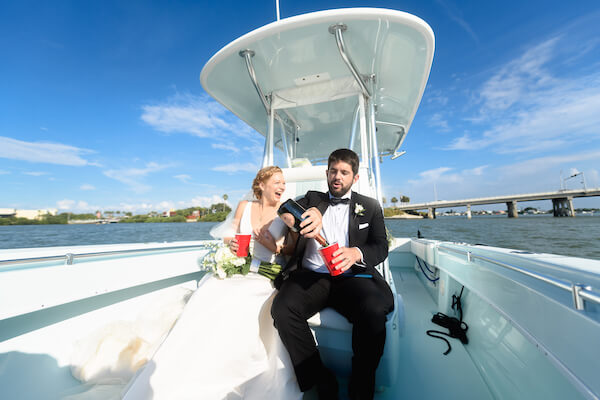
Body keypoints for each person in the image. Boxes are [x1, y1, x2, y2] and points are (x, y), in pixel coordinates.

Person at [123, 166, 302, 399]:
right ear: (261, 185)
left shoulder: (284, 212)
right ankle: (186, 369)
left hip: (264, 276)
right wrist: (231, 244)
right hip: (239, 268)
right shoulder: (244, 206)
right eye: (277, 182)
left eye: (283, 183)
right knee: (207, 292)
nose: (282, 186)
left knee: (239, 300)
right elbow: (231, 232)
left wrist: (273, 246)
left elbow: (293, 250)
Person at [272, 149, 394, 400]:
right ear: (327, 174)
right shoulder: (313, 198)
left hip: (352, 278)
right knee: (282, 310)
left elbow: (381, 246)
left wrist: (356, 253)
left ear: (355, 178)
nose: (338, 177)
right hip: (312, 277)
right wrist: (310, 214)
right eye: (333, 171)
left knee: (373, 312)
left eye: (344, 173)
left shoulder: (369, 206)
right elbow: (284, 210)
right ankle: (319, 378)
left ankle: (360, 388)